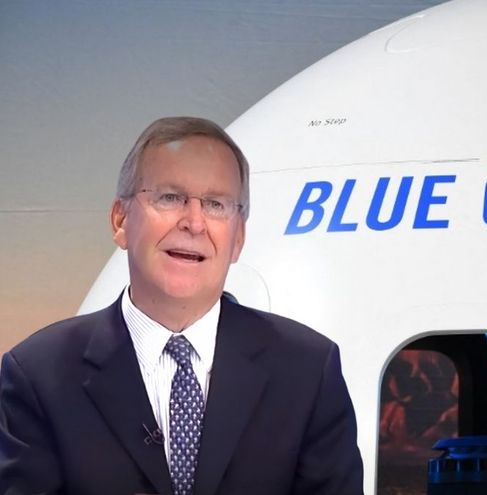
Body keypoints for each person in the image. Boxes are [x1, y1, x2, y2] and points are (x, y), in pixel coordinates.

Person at [0, 117, 364, 495]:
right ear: (120, 220)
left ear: (238, 238)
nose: (194, 222)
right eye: (170, 197)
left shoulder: (308, 370)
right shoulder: (38, 375)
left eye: (215, 204)